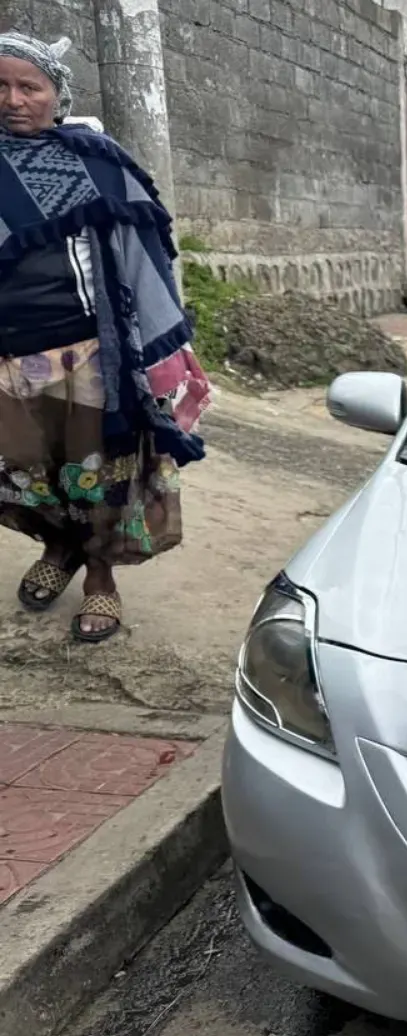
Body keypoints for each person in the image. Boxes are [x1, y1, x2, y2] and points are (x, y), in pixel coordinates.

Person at [0, 33, 210, 642]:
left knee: (94, 475)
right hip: (8, 361)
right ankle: (58, 548)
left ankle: (99, 580)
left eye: (29, 87)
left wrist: (158, 351)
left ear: (56, 97)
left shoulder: (94, 162)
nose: (13, 100)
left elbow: (145, 262)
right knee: (25, 471)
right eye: (1, 87)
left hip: (87, 356)